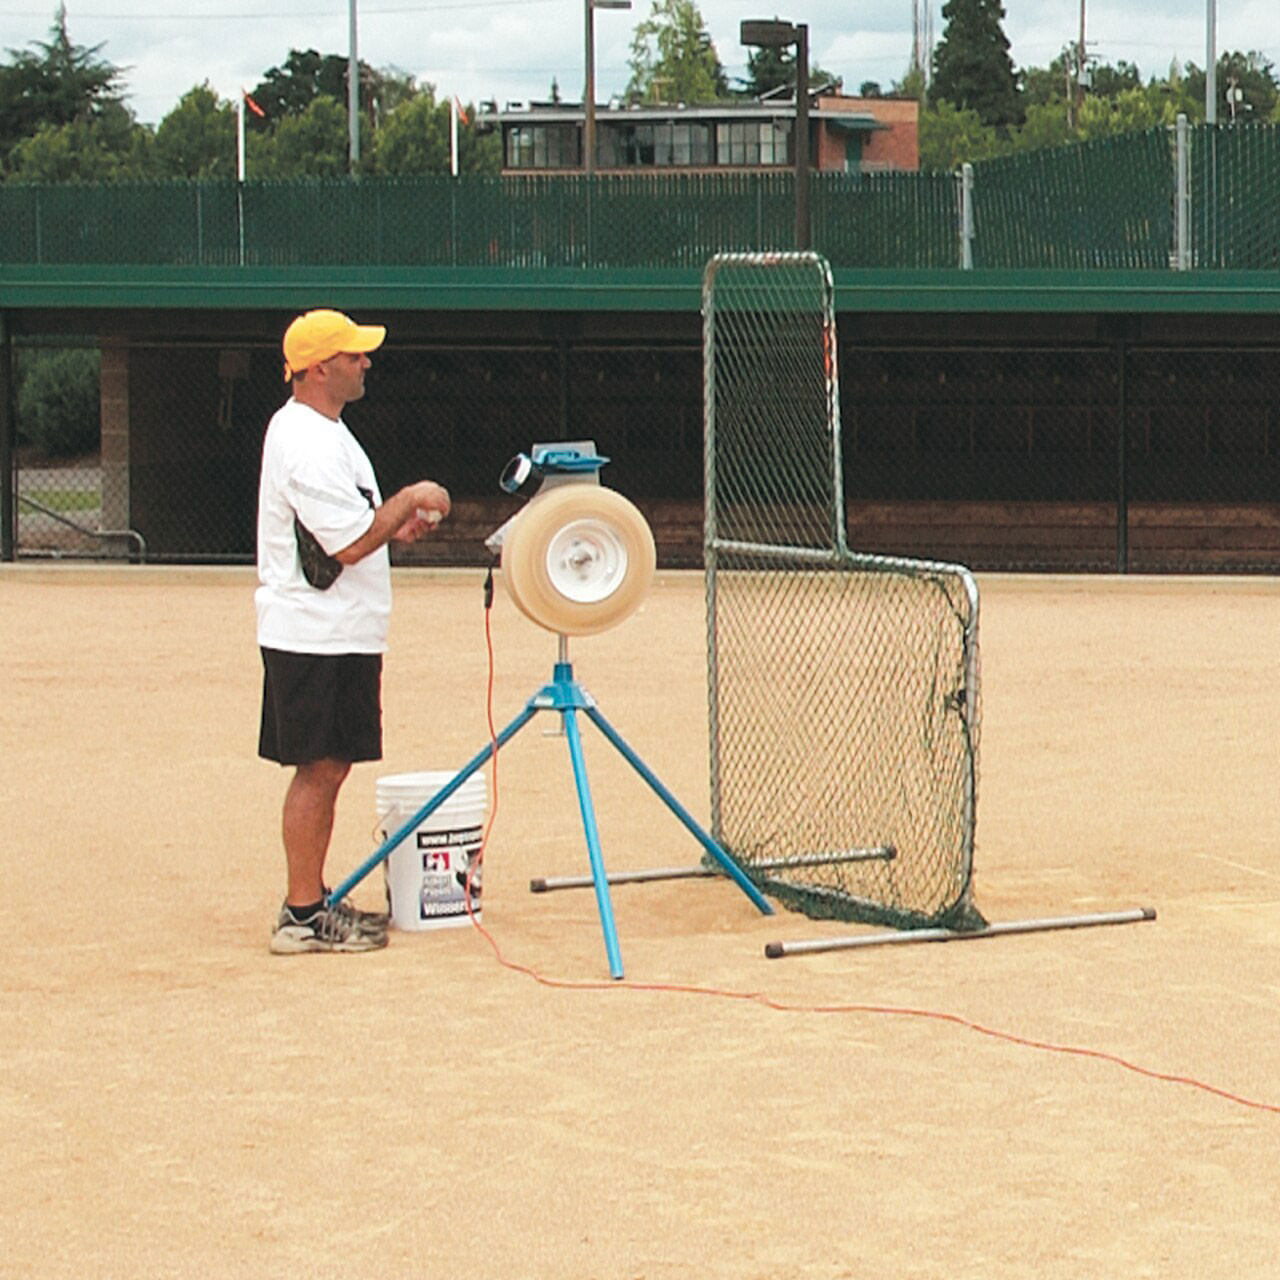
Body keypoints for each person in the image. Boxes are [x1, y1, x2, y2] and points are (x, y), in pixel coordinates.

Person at [256, 309, 450, 954]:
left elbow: (350, 531)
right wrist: (405, 501)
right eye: (353, 354)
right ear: (319, 368)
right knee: (318, 768)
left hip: (340, 631)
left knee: (331, 766)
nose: (365, 362)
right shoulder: (305, 439)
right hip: (314, 633)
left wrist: (394, 525)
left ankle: (310, 903)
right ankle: (302, 915)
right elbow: (344, 547)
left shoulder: (328, 433)